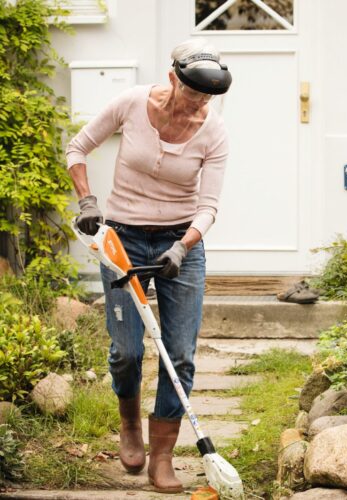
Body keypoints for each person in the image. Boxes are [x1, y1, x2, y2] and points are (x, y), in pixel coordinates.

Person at [66, 38, 231, 493]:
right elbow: (77, 149)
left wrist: (183, 246)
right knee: (127, 351)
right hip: (122, 241)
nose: (199, 104)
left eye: (208, 97)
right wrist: (87, 201)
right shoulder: (131, 104)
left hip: (181, 244)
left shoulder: (213, 132)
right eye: (194, 93)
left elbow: (209, 205)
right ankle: (130, 426)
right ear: (173, 78)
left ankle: (162, 457)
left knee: (179, 355)